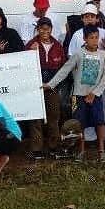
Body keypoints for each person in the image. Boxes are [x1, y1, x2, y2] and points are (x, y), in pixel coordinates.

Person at [44, 25, 105, 163]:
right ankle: (81, 151)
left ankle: (101, 151)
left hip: (95, 96)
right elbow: (65, 69)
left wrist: (95, 93)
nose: (94, 40)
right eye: (91, 38)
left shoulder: (103, 55)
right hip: (78, 95)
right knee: (79, 123)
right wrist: (50, 84)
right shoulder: (78, 54)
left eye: (96, 37)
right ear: (85, 39)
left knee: (99, 122)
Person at [25, 17, 66, 159]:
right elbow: (24, 65)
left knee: (54, 117)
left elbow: (63, 68)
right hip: (36, 87)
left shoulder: (58, 46)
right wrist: (30, 53)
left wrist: (53, 84)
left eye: (47, 28)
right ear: (37, 29)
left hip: (53, 87)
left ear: (51, 29)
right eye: (42, 28)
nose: (44, 31)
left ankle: (54, 147)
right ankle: (37, 149)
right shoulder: (31, 44)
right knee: (36, 118)